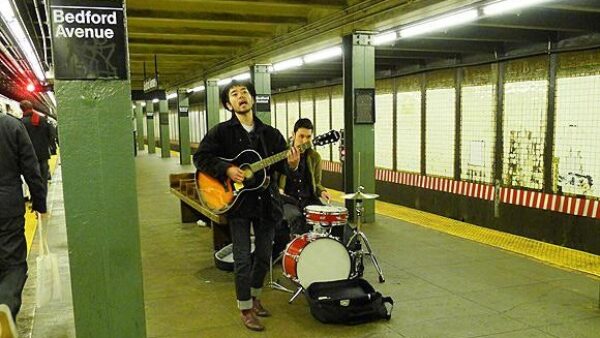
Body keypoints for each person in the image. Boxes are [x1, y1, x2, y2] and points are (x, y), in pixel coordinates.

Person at [193, 80, 299, 331]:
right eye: (234, 94)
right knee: (242, 258)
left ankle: (255, 296)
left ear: (252, 99)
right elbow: (201, 158)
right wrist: (227, 168)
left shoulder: (270, 134)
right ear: (229, 104)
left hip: (266, 204)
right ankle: (245, 308)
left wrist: (292, 164)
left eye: (245, 92)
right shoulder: (221, 132)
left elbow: (282, 166)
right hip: (237, 204)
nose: (241, 96)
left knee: (263, 256)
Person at [0, 112, 47, 337]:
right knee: (14, 264)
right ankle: (6, 306)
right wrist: (39, 202)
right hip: (7, 205)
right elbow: (31, 168)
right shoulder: (12, 126)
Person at [278, 118, 331, 237]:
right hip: (288, 200)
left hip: (309, 200)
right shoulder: (281, 154)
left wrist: (322, 191)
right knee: (297, 218)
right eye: (301, 136)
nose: (304, 140)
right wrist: (279, 190)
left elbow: (317, 183)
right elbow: (275, 182)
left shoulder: (314, 157)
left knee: (329, 218)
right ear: (293, 135)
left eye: (308, 137)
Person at [20, 100, 55, 187]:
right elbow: (51, 135)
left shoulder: (21, 122)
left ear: (22, 109)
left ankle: (36, 193)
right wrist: (49, 145)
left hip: (29, 155)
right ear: (31, 107)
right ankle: (43, 189)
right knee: (43, 174)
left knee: (33, 175)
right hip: (43, 153)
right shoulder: (43, 120)